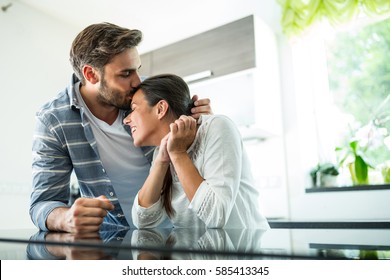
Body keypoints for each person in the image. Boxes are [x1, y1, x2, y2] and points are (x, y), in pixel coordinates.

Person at [30, 23, 212, 234]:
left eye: (137, 70)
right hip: (114, 239)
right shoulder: (53, 120)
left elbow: (196, 153)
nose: (137, 82)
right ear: (91, 74)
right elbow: (42, 203)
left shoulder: (151, 96)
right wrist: (65, 219)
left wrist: (202, 123)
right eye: (125, 74)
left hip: (180, 231)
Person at [123, 74, 269, 229]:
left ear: (160, 109)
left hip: (243, 248)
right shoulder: (160, 152)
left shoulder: (217, 127)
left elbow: (216, 217)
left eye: (133, 109)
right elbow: (142, 222)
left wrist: (178, 154)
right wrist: (161, 161)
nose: (126, 120)